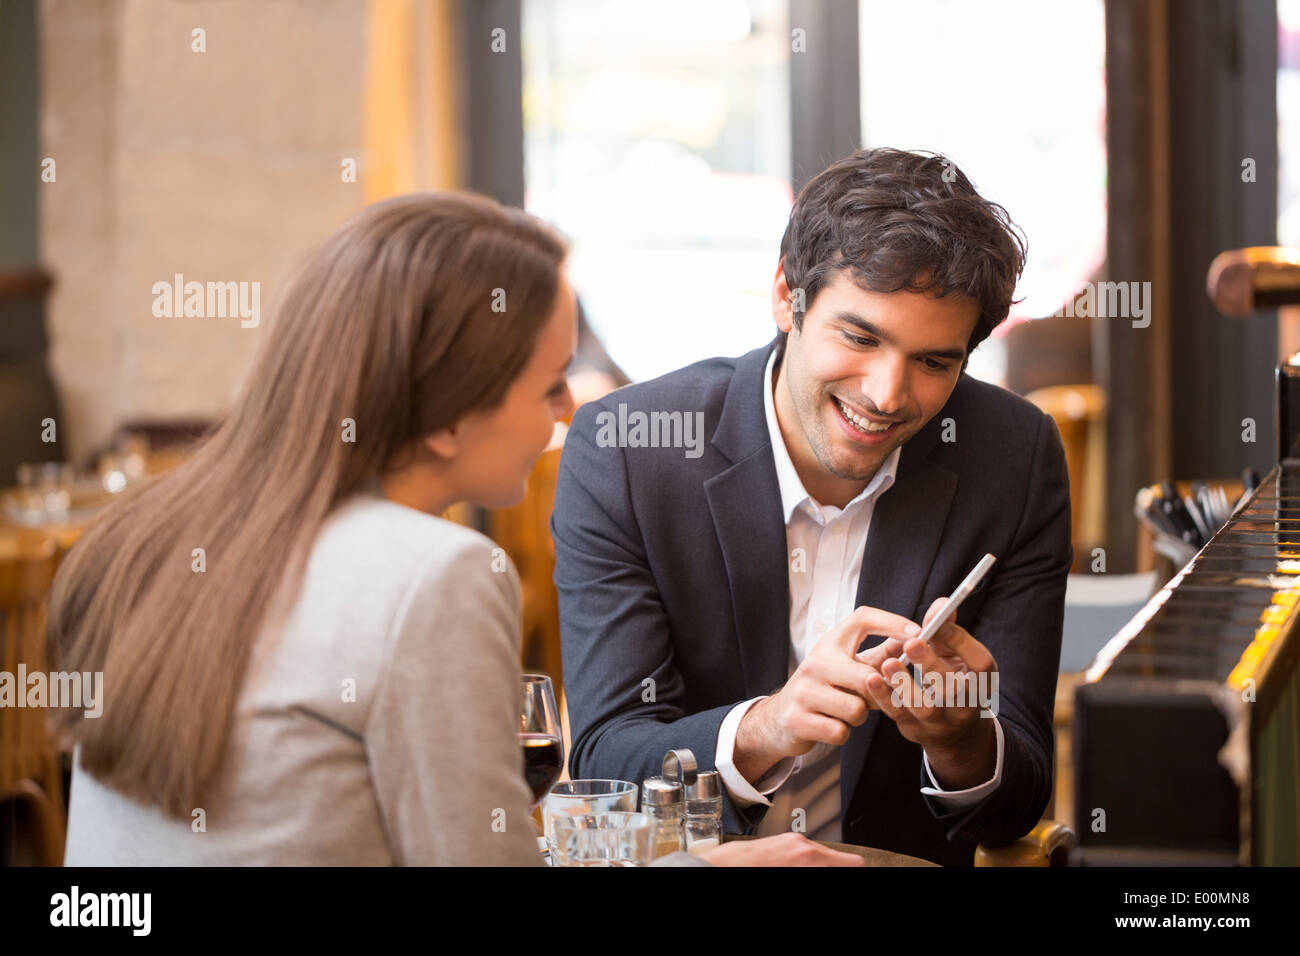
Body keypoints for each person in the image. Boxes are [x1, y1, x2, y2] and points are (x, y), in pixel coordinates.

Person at [47, 191, 860, 867]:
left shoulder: (147, 534)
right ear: (447, 417)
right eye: (547, 384)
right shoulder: (433, 573)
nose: (569, 410)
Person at [552, 147, 1073, 867]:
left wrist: (961, 739)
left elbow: (1018, 803)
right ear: (785, 295)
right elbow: (609, 760)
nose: (888, 394)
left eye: (933, 362)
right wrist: (768, 727)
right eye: (860, 336)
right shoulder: (628, 453)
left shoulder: (1013, 457)